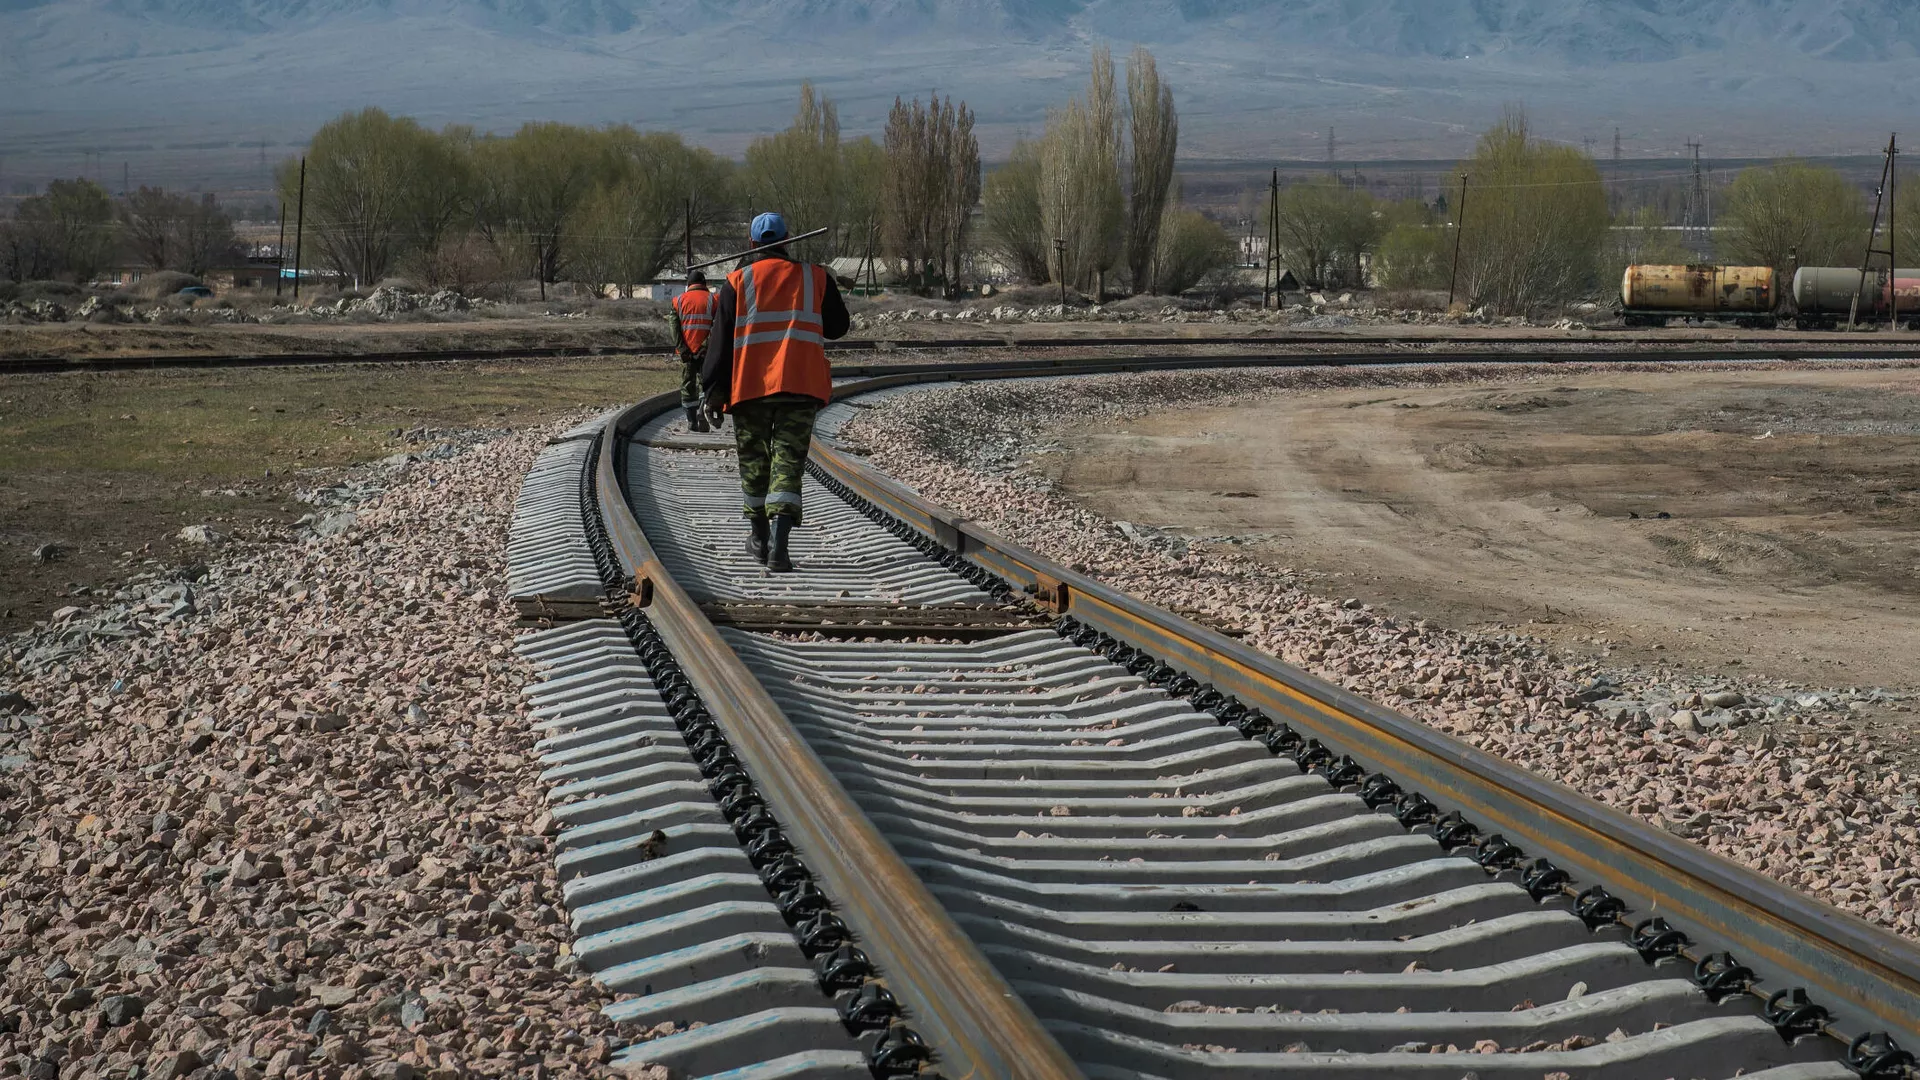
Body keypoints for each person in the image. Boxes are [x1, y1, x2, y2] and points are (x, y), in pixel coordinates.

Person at [702, 212, 849, 573]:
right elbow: (839, 327)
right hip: (800, 386)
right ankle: (779, 550)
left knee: (755, 464)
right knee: (787, 464)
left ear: (753, 245)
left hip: (750, 388)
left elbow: (718, 345)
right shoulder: (816, 278)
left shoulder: (736, 281)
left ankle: (759, 538)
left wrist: (712, 392)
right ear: (787, 240)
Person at [670, 269, 716, 432]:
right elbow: (717, 326)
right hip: (707, 352)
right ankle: (702, 411)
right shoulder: (713, 300)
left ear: (688, 285)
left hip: (686, 354)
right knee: (707, 383)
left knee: (688, 385)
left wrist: (683, 349)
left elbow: (674, 328)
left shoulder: (678, 301)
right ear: (704, 284)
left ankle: (691, 420)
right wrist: (704, 347)